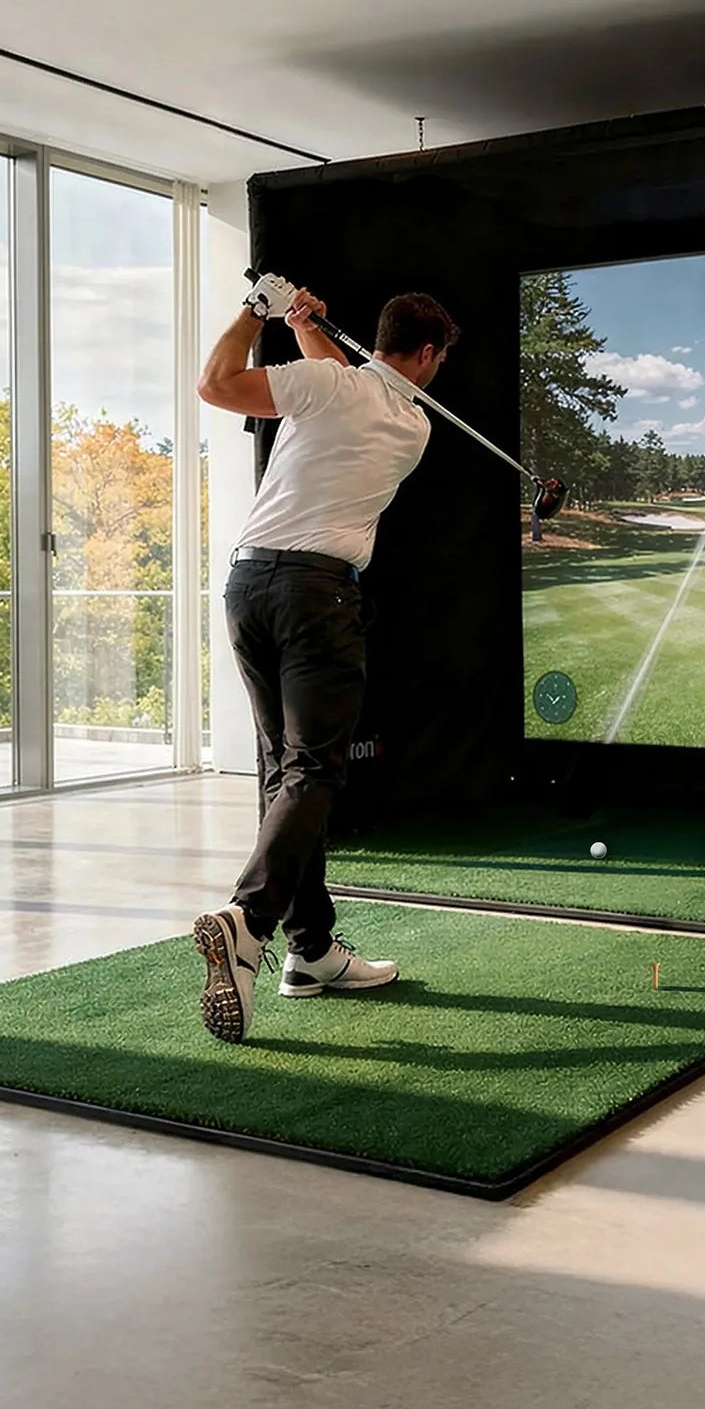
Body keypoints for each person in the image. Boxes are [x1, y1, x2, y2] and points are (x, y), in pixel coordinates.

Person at [190, 274, 459, 1043]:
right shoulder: (412, 427)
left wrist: (263, 312)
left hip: (250, 586)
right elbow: (277, 388)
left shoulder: (326, 387)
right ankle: (249, 919)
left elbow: (232, 382)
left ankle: (310, 952)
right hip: (317, 594)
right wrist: (290, 321)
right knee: (312, 770)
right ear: (428, 354)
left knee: (284, 773)